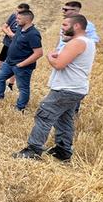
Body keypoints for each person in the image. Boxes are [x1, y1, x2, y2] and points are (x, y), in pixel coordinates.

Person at [13, 14, 96, 161]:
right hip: (75, 88)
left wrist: (50, 56)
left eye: (65, 25)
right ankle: (63, 150)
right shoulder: (87, 42)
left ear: (76, 26)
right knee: (64, 119)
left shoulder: (77, 42)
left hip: (66, 88)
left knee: (44, 114)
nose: (62, 28)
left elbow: (59, 64)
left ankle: (33, 149)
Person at [0, 9, 43, 111]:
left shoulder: (33, 34)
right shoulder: (20, 28)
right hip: (9, 62)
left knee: (23, 87)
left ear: (27, 20)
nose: (16, 20)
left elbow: (38, 53)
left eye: (19, 18)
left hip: (22, 66)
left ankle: (20, 107)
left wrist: (21, 64)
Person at [0, 3, 30, 91]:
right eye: (17, 11)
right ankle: (0, 83)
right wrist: (9, 33)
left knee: (13, 65)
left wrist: (10, 32)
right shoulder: (13, 16)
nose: (17, 14)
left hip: (16, 47)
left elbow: (20, 36)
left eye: (19, 12)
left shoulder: (27, 23)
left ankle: (10, 85)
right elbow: (4, 27)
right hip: (7, 44)